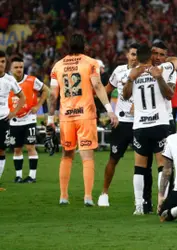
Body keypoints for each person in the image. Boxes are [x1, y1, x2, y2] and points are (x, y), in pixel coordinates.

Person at [47, 33, 119, 206]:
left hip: (66, 116)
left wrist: (50, 118)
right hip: (86, 115)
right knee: (87, 157)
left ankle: (63, 196)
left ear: (69, 47)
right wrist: (110, 110)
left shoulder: (57, 66)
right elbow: (97, 85)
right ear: (84, 46)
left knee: (66, 155)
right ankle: (88, 197)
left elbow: (52, 96)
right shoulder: (90, 63)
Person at [122, 44, 177, 215]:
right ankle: (161, 204)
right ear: (150, 56)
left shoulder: (132, 73)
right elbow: (170, 95)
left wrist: (130, 79)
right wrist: (158, 77)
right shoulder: (163, 68)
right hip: (160, 124)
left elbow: (125, 96)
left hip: (140, 126)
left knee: (139, 168)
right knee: (163, 167)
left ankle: (138, 207)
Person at [97, 43, 140, 207]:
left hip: (140, 124)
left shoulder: (146, 71)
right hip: (121, 124)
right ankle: (104, 193)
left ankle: (140, 199)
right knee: (113, 159)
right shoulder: (119, 71)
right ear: (127, 55)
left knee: (141, 162)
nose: (135, 58)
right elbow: (106, 90)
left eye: (138, 54)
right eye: (133, 54)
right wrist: (109, 111)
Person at [8, 57, 50, 183]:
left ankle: (32, 176)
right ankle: (18, 176)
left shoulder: (31, 80)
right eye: (16, 67)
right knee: (17, 149)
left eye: (21, 67)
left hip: (29, 119)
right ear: (11, 69)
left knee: (31, 147)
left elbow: (46, 90)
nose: (19, 69)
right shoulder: (6, 81)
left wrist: (38, 106)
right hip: (13, 121)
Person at [0, 50, 25, 191]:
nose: (0, 64)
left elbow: (22, 97)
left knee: (1, 151)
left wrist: (13, 113)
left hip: (3, 120)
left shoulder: (9, 80)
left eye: (3, 62)